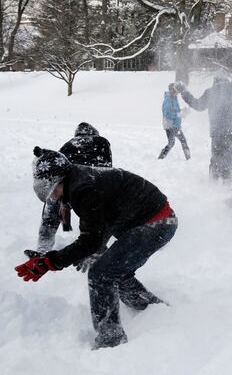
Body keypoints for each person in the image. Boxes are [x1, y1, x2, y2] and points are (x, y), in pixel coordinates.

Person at [15, 147, 177, 349]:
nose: (53, 195)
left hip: (157, 223)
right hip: (150, 221)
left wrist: (51, 261)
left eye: (53, 188)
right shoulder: (78, 179)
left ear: (61, 179)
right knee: (114, 270)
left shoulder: (83, 189)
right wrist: (84, 250)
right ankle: (152, 308)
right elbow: (98, 227)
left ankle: (111, 339)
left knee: (101, 274)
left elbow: (91, 239)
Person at [36, 123, 114, 254]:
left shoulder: (68, 144)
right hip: (91, 186)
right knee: (93, 217)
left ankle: (43, 248)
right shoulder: (103, 142)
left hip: (66, 185)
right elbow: (107, 167)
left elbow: (58, 165)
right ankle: (94, 248)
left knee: (52, 210)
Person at [176, 73, 232, 181]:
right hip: (230, 130)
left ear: (215, 82)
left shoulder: (211, 92)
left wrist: (184, 92)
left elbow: (198, 105)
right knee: (227, 154)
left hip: (217, 131)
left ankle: (213, 180)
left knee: (216, 155)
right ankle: (227, 179)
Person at [158, 83, 191, 160]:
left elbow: (176, 111)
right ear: (172, 90)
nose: (178, 93)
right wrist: (178, 114)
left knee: (183, 141)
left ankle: (189, 158)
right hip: (170, 126)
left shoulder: (174, 98)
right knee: (171, 143)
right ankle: (161, 158)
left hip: (176, 125)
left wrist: (183, 111)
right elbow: (167, 114)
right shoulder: (168, 99)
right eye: (176, 91)